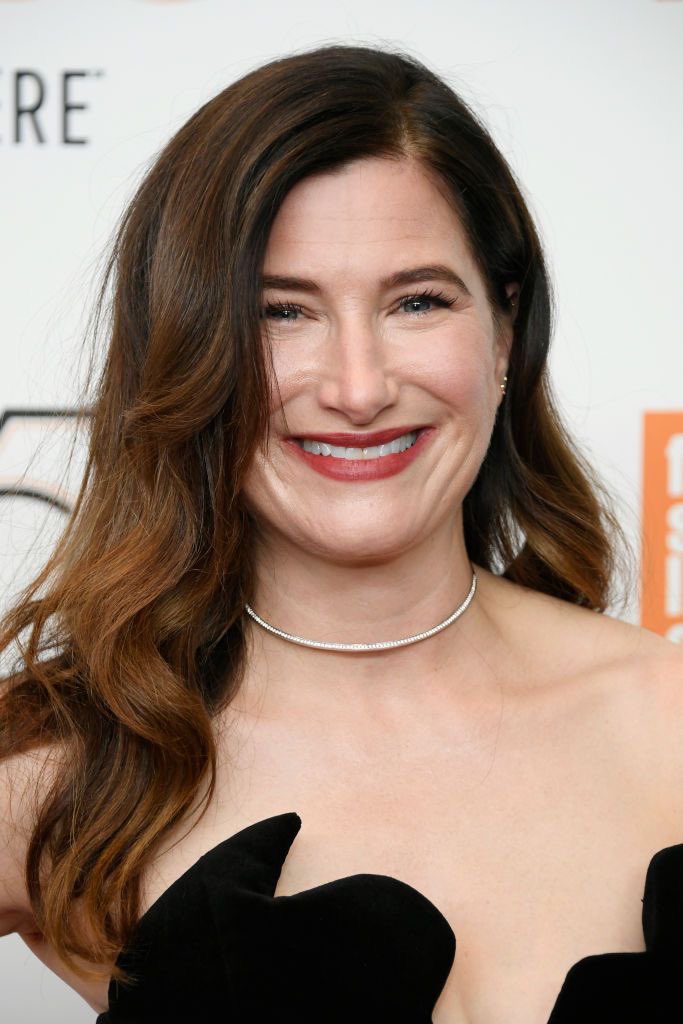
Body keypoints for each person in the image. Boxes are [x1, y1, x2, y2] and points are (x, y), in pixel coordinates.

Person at [1, 41, 682, 1024]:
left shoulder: (665, 716)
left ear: (502, 330)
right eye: (282, 312)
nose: (357, 388)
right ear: (189, 347)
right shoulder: (71, 768)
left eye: (416, 301)